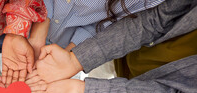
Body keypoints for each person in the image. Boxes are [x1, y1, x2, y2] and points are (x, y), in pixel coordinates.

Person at [25, 0, 197, 93]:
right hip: (117, 46)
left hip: (144, 91)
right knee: (95, 75)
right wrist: (76, 59)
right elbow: (154, 20)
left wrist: (87, 92)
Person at [27, 0, 164, 59]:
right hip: (21, 20)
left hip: (69, 46)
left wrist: (66, 57)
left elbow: (108, 25)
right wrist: (37, 34)